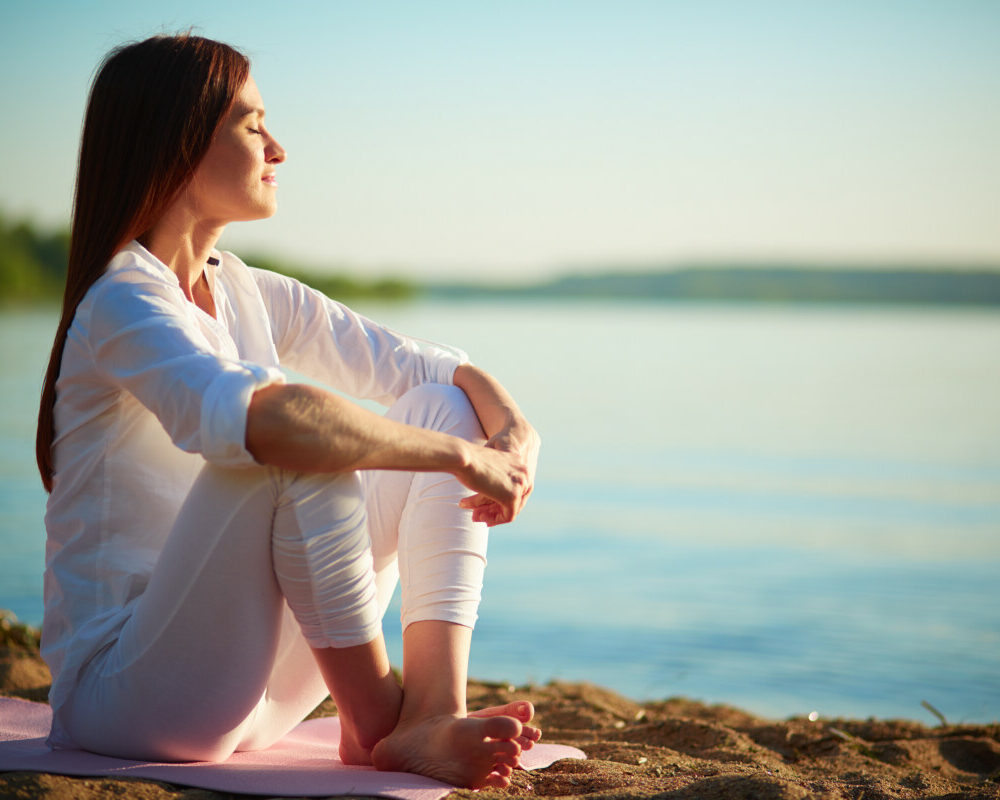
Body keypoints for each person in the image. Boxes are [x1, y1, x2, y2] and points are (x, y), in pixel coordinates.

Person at [34, 34, 541, 789]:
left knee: (436, 407)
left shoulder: (244, 288)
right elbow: (268, 421)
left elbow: (438, 371)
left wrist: (513, 433)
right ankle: (376, 722)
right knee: (291, 443)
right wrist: (462, 459)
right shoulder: (123, 300)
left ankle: (429, 712)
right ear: (176, 144)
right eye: (251, 125)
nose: (278, 147)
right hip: (128, 697)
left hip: (257, 695)